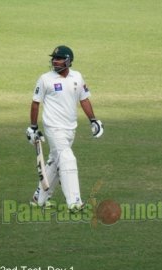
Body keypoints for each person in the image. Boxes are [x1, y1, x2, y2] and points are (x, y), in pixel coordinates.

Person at [26, 45, 104, 213]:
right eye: (54, 58)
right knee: (67, 158)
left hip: (70, 129)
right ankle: (74, 202)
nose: (55, 61)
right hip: (53, 128)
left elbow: (84, 99)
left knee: (55, 162)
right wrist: (33, 127)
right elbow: (35, 103)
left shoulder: (77, 77)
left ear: (68, 61)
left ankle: (38, 199)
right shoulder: (45, 79)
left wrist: (93, 120)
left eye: (59, 58)